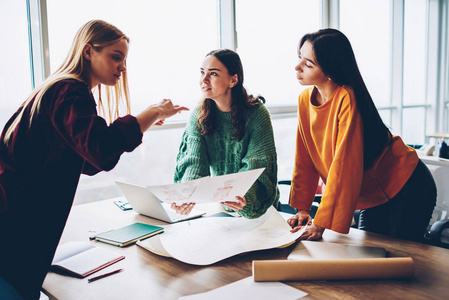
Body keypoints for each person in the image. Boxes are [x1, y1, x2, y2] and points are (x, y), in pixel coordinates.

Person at [0, 20, 188, 300]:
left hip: (16, 223)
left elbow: (86, 160)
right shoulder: (69, 91)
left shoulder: (58, 90)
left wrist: (140, 124)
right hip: (17, 230)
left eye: (124, 60)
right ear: (88, 52)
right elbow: (99, 149)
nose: (122, 68)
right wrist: (149, 114)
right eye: (116, 57)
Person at [287, 28, 436, 242]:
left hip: (407, 185)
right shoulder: (304, 100)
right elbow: (304, 158)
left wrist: (319, 224)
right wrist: (302, 209)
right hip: (371, 193)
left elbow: (343, 165)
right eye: (300, 58)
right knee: (369, 258)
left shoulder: (347, 97)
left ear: (329, 68)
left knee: (400, 259)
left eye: (308, 64)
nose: (297, 67)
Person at [173, 49, 279, 219]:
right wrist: (186, 195)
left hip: (261, 210)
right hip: (223, 209)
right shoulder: (199, 115)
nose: (204, 80)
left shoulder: (257, 114)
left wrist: (244, 198)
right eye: (202, 72)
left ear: (233, 80)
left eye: (213, 74)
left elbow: (257, 166)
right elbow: (193, 161)